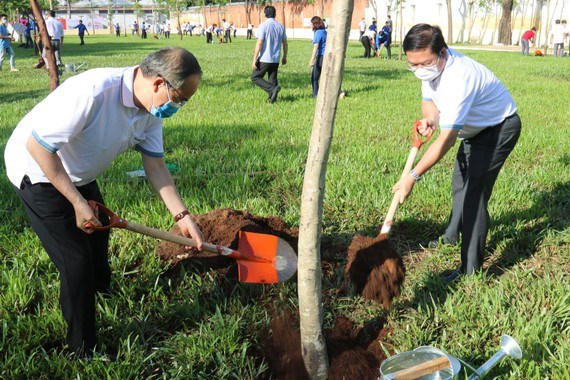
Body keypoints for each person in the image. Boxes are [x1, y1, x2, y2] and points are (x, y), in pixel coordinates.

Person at [4, 47, 205, 357]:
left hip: (77, 173)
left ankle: (100, 290)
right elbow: (38, 147)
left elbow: (156, 167)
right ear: (158, 83)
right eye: (179, 99)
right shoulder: (94, 93)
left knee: (99, 236)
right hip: (37, 171)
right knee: (76, 260)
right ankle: (82, 348)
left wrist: (183, 218)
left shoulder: (149, 111)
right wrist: (76, 202)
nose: (177, 106)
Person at [392, 24, 521, 283]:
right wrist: (429, 120)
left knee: (474, 194)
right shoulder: (430, 70)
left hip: (499, 128)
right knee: (459, 183)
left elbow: (447, 139)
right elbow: (429, 100)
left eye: (424, 63)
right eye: (413, 65)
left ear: (442, 52)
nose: (419, 69)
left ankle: (470, 269)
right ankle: (451, 235)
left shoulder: (459, 78)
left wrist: (412, 176)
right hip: (474, 131)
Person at [251, 5, 287, 104]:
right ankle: (272, 100)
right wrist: (284, 56)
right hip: (276, 58)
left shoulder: (263, 26)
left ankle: (273, 89)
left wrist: (254, 58)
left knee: (255, 77)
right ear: (275, 14)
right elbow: (285, 42)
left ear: (265, 14)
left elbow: (260, 42)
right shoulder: (280, 26)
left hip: (265, 58)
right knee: (272, 79)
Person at [309, 16, 326, 98]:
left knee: (314, 78)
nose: (310, 25)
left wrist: (312, 60)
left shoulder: (318, 33)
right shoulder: (324, 31)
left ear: (314, 24)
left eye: (311, 24)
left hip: (320, 57)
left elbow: (316, 46)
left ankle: (316, 94)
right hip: (326, 57)